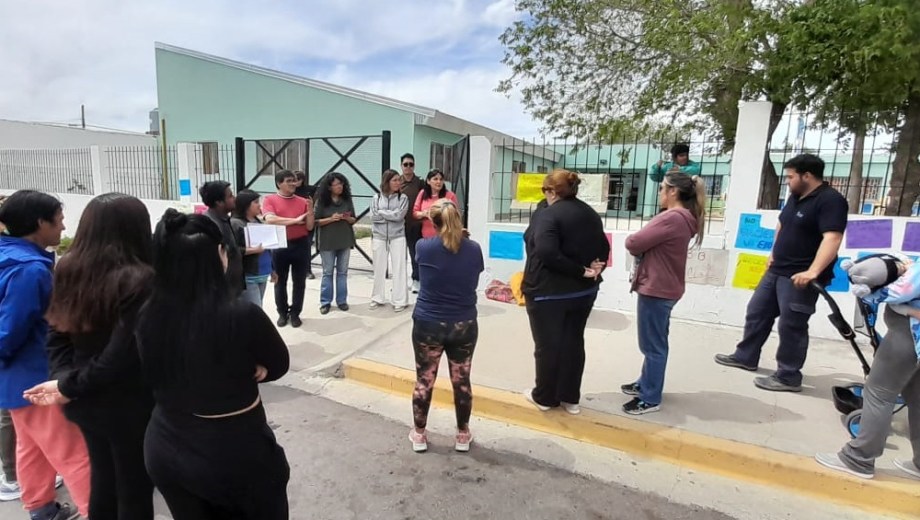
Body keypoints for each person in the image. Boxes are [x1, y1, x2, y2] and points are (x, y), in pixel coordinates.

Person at [137, 209, 290, 519]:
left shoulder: (147, 314)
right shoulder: (242, 316)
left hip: (165, 444)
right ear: (220, 255)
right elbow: (278, 364)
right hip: (232, 451)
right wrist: (255, 366)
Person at [25, 193, 156, 519]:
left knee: (104, 481)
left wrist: (64, 380)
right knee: (134, 489)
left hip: (85, 399)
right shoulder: (141, 279)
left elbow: (56, 332)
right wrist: (68, 385)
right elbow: (122, 354)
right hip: (129, 401)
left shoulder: (69, 266)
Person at [715, 154, 848, 392]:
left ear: (807, 176)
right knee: (757, 312)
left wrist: (813, 271)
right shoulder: (797, 196)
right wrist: (773, 252)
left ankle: (788, 376)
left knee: (792, 325)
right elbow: (782, 224)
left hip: (800, 276)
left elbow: (833, 237)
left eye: (790, 176)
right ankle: (746, 356)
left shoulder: (831, 201)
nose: (787, 181)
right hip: (777, 270)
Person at [0, 190, 90, 520]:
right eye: (59, 220)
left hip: (13, 379)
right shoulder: (30, 271)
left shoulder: (7, 256)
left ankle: (41, 508)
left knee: (31, 448)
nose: (63, 227)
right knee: (73, 453)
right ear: (41, 223)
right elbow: (11, 329)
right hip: (37, 375)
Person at [522, 170, 610, 415]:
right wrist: (597, 265)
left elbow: (546, 252)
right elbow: (604, 245)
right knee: (573, 343)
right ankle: (570, 397)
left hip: (549, 293)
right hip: (583, 294)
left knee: (548, 346)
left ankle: (544, 397)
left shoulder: (549, 215)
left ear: (552, 191)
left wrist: (580, 271)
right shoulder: (589, 213)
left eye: (545, 191)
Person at [621, 172, 706, 415]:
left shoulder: (672, 218)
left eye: (661, 189)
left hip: (657, 288)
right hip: (665, 287)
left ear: (673, 192)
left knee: (652, 345)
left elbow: (634, 243)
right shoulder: (684, 218)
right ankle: (646, 382)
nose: (659, 193)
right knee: (654, 342)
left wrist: (633, 239)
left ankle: (650, 397)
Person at [409, 198, 484, 453]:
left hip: (428, 322)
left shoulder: (423, 246)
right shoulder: (474, 248)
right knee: (461, 380)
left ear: (432, 221)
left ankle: (419, 434)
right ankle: (462, 434)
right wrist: (462, 237)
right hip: (463, 324)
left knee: (424, 380)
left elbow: (427, 264)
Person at [816, 304, 920, 480]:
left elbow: (899, 282)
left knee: (879, 392)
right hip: (911, 330)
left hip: (910, 329)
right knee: (916, 395)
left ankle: (858, 458)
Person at [262, 170, 314, 327]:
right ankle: (282, 313)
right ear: (279, 183)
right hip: (280, 245)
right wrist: (294, 220)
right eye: (289, 181)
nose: (293, 183)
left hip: (301, 244)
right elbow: (270, 219)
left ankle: (296, 313)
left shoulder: (303, 201)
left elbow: (309, 226)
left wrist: (310, 211)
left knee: (299, 281)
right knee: (280, 281)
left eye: (294, 180)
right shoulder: (269, 199)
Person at [314, 172, 356, 315]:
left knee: (342, 273)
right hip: (327, 242)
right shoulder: (321, 201)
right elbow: (315, 221)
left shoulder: (346, 200)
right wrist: (331, 219)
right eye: (337, 184)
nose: (340, 187)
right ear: (329, 187)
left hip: (344, 240)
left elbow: (353, 219)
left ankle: (342, 300)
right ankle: (325, 302)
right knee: (327, 272)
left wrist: (347, 218)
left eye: (341, 184)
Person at [370, 169, 409, 311]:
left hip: (398, 236)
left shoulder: (403, 198)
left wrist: (383, 213)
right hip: (379, 236)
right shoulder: (376, 198)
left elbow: (400, 216)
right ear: (387, 182)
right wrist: (390, 214)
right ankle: (377, 297)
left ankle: (399, 300)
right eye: (395, 180)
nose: (398, 183)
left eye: (399, 180)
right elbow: (374, 217)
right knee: (378, 268)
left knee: (399, 268)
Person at [199, 181, 244, 297]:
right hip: (220, 293)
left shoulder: (225, 219)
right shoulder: (210, 225)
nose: (234, 198)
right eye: (230, 196)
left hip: (233, 289)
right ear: (218, 202)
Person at [231, 190, 273, 308]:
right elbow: (232, 250)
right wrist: (253, 250)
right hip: (249, 276)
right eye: (255, 202)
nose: (259, 205)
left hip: (263, 273)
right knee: (256, 310)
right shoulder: (235, 224)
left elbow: (267, 247)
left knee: (259, 308)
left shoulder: (259, 222)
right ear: (245, 205)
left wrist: (272, 269)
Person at [399, 153, 426, 294]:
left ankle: (416, 280)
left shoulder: (420, 182)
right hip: (398, 226)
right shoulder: (397, 182)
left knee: (415, 254)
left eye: (411, 164)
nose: (408, 167)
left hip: (415, 225)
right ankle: (400, 283)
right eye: (405, 164)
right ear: (401, 166)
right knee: (398, 256)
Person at [413, 169, 459, 239]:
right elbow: (415, 213)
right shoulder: (422, 193)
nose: (439, 182)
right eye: (435, 179)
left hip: (445, 237)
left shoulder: (450, 196)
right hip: (426, 235)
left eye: (441, 179)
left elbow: (456, 216)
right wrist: (424, 214)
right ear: (428, 181)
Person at [292, 171, 317, 280]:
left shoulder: (309, 190)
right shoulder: (290, 191)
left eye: (297, 180)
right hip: (293, 222)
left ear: (302, 180)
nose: (295, 183)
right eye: (293, 180)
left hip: (307, 221)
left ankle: (307, 270)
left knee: (306, 247)